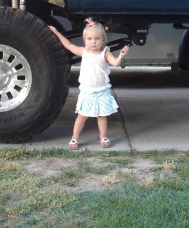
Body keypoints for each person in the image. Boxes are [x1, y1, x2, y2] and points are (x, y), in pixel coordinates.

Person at [49, 20, 130, 149]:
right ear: (85, 40)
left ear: (103, 40)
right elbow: (68, 45)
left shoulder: (105, 53)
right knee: (82, 116)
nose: (93, 42)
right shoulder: (83, 52)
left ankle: (103, 137)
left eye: (97, 39)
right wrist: (57, 33)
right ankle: (74, 138)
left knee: (102, 116)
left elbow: (115, 63)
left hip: (102, 91)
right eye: (89, 39)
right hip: (87, 91)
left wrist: (121, 56)